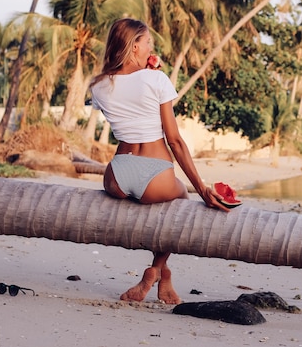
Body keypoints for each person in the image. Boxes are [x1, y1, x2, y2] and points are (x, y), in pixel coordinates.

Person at [90, 18, 230, 305]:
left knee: (153, 199)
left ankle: (164, 276)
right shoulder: (157, 79)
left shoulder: (100, 86)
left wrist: (144, 75)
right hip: (155, 175)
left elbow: (127, 114)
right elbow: (174, 140)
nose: (151, 49)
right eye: (148, 43)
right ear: (133, 47)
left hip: (116, 175)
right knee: (181, 198)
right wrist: (202, 188)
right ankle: (155, 270)